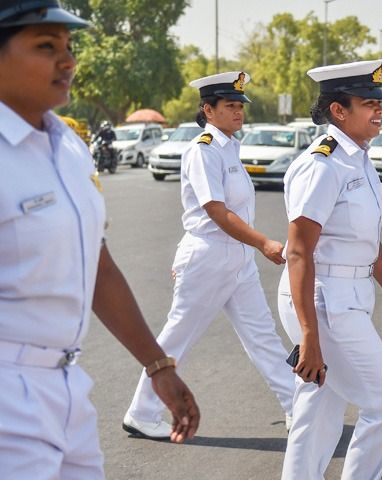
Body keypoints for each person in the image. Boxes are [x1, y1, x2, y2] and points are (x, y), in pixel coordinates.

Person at [0, 1, 199, 478]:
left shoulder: (67, 146)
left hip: (66, 386)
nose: (67, 61)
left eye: (68, 47)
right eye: (46, 47)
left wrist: (158, 366)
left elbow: (96, 266)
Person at [124, 71, 295, 438]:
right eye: (230, 106)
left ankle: (298, 407)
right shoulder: (203, 150)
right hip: (210, 256)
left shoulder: (229, 147)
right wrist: (263, 242)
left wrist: (251, 247)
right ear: (208, 109)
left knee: (262, 336)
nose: (238, 112)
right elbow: (216, 211)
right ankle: (142, 411)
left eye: (240, 106)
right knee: (177, 337)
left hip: (236, 259)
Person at [277, 58, 382, 480]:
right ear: (338, 111)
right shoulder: (322, 164)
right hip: (323, 302)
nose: (379, 110)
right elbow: (300, 252)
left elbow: (369, 243)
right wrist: (309, 337)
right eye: (368, 102)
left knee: (319, 408)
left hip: (347, 298)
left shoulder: (359, 160)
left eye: (380, 102)